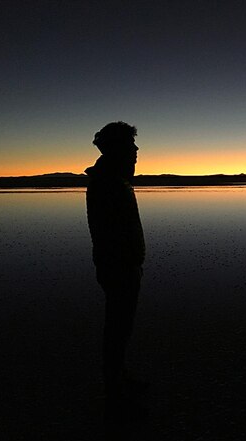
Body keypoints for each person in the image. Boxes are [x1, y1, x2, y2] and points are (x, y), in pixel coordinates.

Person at [85, 121, 147, 407]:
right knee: (118, 326)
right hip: (117, 266)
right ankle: (114, 388)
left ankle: (118, 377)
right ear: (117, 148)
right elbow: (109, 230)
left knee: (121, 325)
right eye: (130, 145)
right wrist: (125, 261)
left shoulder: (114, 179)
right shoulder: (107, 182)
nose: (136, 150)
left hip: (123, 264)